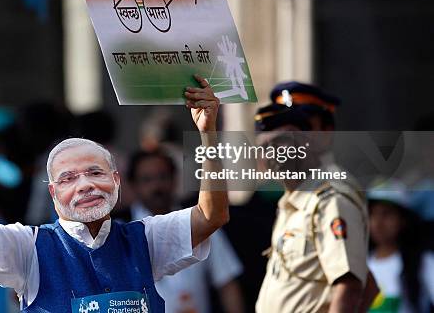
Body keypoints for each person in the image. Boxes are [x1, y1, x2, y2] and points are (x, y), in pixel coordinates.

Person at [0, 75, 229, 312]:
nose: (85, 185)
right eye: (68, 178)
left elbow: (210, 215)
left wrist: (208, 134)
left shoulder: (145, 239)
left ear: (116, 181)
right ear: (52, 194)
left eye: (95, 173)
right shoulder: (30, 248)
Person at [255, 82, 379, 313]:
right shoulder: (296, 196)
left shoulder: (330, 195)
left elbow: (350, 285)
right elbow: (367, 283)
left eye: (302, 127)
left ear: (325, 132)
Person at [124, 148, 245, 313]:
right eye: (147, 179)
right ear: (133, 185)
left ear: (175, 180)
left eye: (162, 177)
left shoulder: (200, 223)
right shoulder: (122, 232)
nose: (156, 186)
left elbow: (227, 283)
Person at [368, 185, 434, 312]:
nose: (377, 222)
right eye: (372, 214)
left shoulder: (423, 261)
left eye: (386, 214)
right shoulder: (360, 264)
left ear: (403, 219)